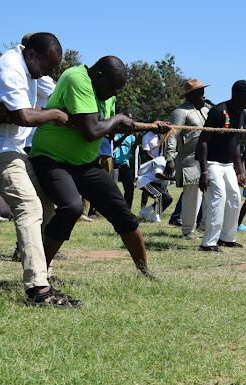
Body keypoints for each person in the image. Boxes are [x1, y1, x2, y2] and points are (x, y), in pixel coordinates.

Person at [29, 56, 170, 279]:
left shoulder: (106, 94)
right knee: (71, 208)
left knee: (122, 212)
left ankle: (145, 272)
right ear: (98, 76)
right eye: (112, 88)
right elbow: (91, 132)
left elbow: (106, 130)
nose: (113, 94)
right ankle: (39, 274)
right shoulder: (77, 79)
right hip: (52, 159)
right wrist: (117, 119)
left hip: (85, 163)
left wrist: (146, 127)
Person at [0, 32, 80, 307]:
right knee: (29, 206)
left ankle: (42, 271)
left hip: (11, 149)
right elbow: (24, 116)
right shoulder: (10, 67)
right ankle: (38, 290)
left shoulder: (33, 69)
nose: (49, 72)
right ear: (31, 55)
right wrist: (54, 115)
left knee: (46, 200)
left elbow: (55, 96)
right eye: (48, 66)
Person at [197, 80, 246, 252]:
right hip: (211, 163)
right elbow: (202, 142)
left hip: (227, 164)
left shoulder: (242, 115)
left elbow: (235, 142)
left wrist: (240, 170)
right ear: (237, 95)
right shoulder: (218, 112)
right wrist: (204, 172)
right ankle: (208, 243)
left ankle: (227, 238)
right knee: (219, 198)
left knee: (234, 198)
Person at [164, 79, 210, 239]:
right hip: (189, 161)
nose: (204, 97)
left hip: (205, 160)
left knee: (209, 195)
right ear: (191, 95)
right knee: (193, 197)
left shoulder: (205, 111)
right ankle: (188, 230)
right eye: (201, 94)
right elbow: (172, 134)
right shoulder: (181, 111)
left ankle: (204, 227)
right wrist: (170, 157)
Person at [112, 126, 136, 208]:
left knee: (130, 188)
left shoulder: (132, 137)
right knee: (113, 188)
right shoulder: (116, 134)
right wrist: (125, 135)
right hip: (115, 164)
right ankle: (113, 208)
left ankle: (127, 208)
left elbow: (132, 148)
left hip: (125, 164)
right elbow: (115, 144)